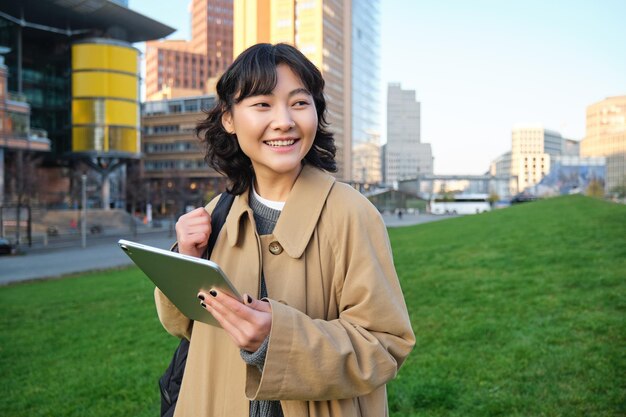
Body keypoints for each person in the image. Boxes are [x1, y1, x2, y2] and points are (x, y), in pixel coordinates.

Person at [154, 43, 415, 417]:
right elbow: (182, 326)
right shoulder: (216, 214)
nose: (284, 121)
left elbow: (385, 346)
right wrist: (183, 259)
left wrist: (276, 340)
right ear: (228, 118)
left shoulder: (352, 213)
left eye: (299, 103)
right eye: (262, 104)